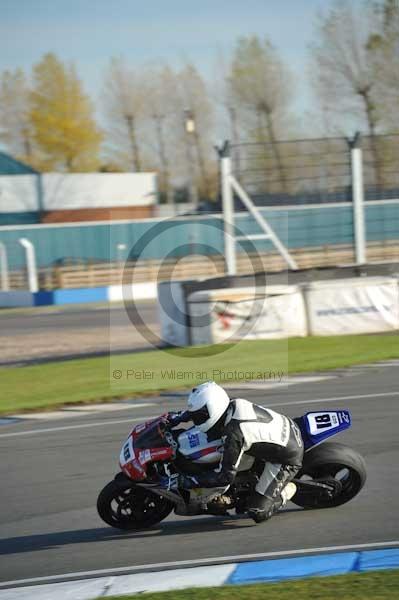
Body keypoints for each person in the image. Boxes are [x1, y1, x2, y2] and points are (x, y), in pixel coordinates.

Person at [163, 381, 304, 523]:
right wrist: (177, 418)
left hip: (285, 458)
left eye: (201, 416)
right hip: (282, 429)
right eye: (197, 415)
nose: (197, 420)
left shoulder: (233, 434)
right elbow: (197, 411)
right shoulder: (230, 404)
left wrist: (185, 481)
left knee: (257, 512)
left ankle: (287, 490)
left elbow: (224, 477)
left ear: (213, 409)